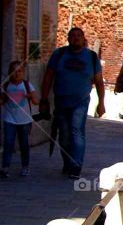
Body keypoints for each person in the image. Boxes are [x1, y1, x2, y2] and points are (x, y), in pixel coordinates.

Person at [40, 27, 105, 178]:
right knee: (64, 135)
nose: (75, 38)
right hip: (61, 101)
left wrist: (101, 102)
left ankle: (76, 166)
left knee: (77, 132)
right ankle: (68, 162)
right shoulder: (59, 54)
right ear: (68, 38)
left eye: (78, 36)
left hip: (80, 102)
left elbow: (99, 81)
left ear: (83, 39)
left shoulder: (91, 57)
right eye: (72, 36)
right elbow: (48, 77)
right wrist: (44, 99)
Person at [0, 60, 39, 178]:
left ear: (23, 73)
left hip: (24, 120)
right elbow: (2, 101)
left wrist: (30, 96)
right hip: (10, 119)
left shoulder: (27, 85)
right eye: (14, 71)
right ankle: (5, 167)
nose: (17, 74)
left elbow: (36, 101)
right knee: (8, 143)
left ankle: (25, 166)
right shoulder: (6, 86)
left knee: (24, 144)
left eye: (20, 71)